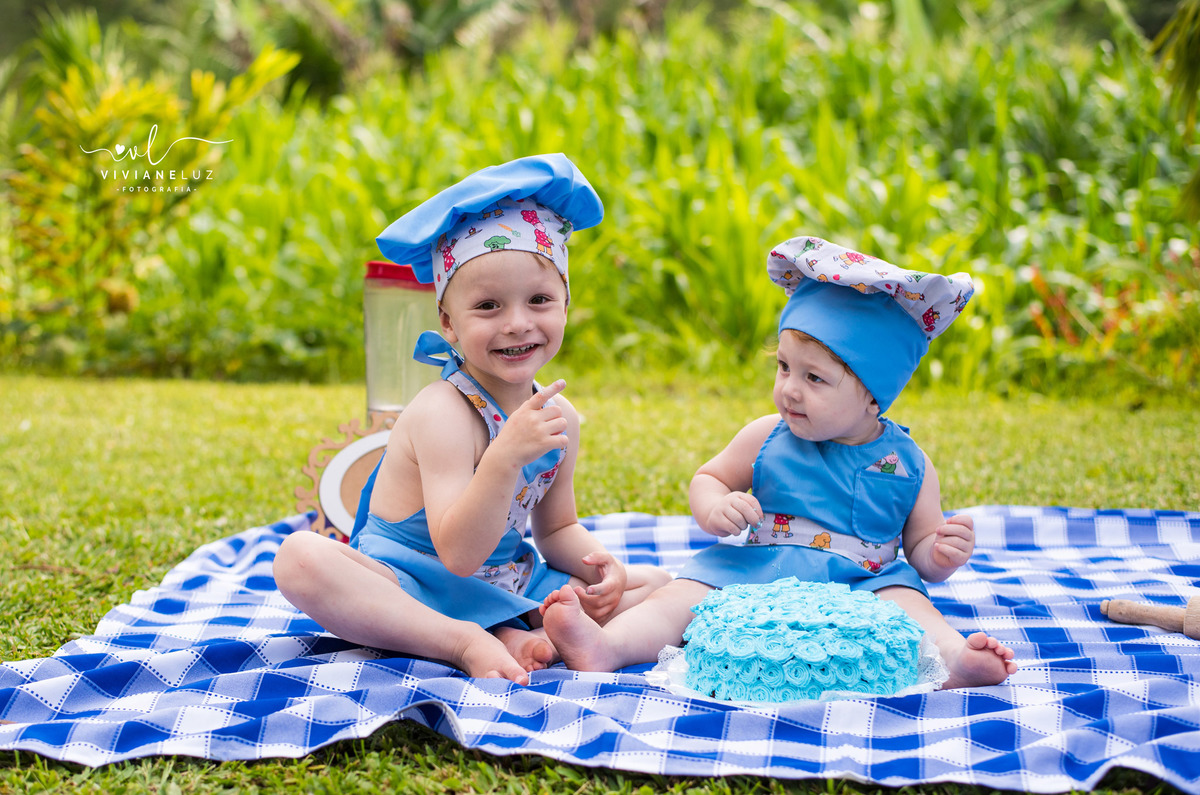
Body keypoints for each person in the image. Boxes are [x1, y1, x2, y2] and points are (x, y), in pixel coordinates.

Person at [543, 235, 1018, 690]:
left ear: (874, 397)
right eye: (784, 367)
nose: (790, 388)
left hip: (864, 584)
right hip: (756, 566)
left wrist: (940, 554)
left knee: (910, 607)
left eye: (814, 377)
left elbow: (921, 548)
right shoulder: (767, 434)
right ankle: (608, 646)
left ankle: (954, 659)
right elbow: (710, 476)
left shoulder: (909, 464)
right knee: (682, 598)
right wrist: (715, 507)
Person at [274, 154, 669, 685]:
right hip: (412, 582)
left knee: (657, 583)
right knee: (299, 559)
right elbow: (457, 554)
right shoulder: (444, 412)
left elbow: (556, 529)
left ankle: (529, 628)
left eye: (539, 299)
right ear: (449, 323)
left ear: (566, 304)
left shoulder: (560, 419)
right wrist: (504, 457)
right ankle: (464, 641)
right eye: (487, 306)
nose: (517, 323)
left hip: (505, 579)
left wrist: (601, 566)